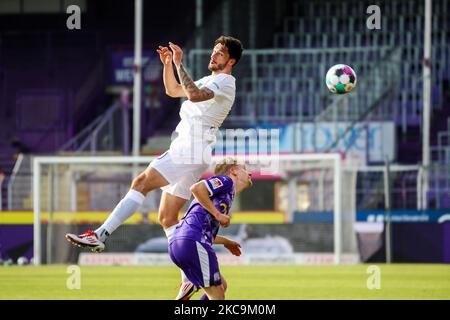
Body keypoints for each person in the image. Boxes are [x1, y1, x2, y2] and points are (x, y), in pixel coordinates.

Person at [65, 36, 244, 297]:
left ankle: (101, 234)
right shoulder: (209, 81)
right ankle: (189, 278)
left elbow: (192, 95)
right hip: (194, 150)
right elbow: (174, 91)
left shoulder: (225, 82)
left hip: (189, 148)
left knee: (140, 182)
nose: (214, 55)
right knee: (167, 218)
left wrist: (180, 63)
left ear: (231, 61)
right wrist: (168, 64)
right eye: (214, 50)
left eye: (220, 53)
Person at [169, 158, 252, 300]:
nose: (249, 173)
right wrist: (218, 214)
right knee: (217, 295)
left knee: (221, 286)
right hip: (191, 241)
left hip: (180, 242)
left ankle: (188, 288)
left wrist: (226, 241)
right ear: (233, 171)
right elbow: (196, 188)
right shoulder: (227, 182)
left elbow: (203, 231)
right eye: (244, 168)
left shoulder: (224, 195)